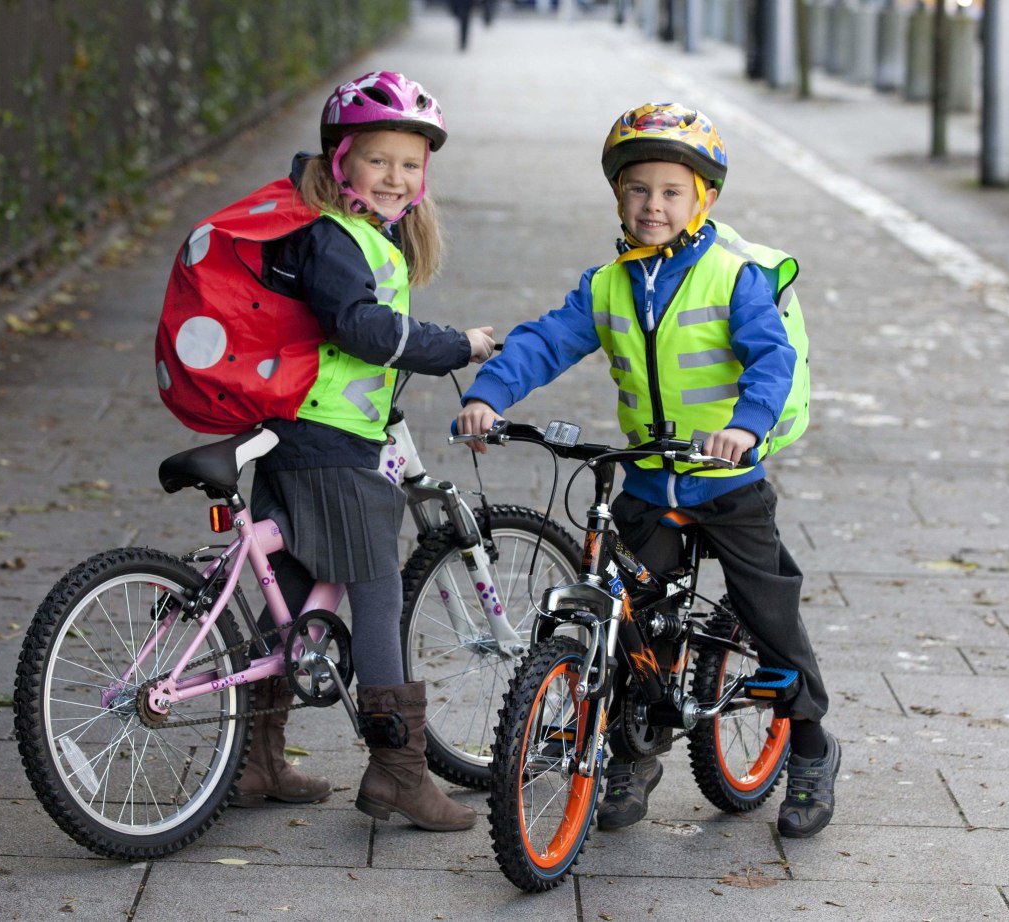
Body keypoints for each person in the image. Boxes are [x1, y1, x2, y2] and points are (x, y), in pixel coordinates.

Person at [455, 103, 838, 839]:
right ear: (617, 197)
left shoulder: (734, 277)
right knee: (631, 613)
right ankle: (632, 753)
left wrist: (742, 428)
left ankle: (814, 749)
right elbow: (546, 341)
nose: (652, 205)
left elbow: (771, 361)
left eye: (670, 191)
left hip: (727, 480)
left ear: (704, 200)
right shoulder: (608, 284)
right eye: (637, 190)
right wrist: (488, 394)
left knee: (770, 614)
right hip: (647, 482)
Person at [229, 71, 494, 832]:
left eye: (410, 165)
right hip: (331, 442)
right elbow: (361, 327)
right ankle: (398, 773)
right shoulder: (334, 235)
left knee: (287, 585)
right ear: (340, 160)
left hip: (294, 432)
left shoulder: (348, 233)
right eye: (378, 160)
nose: (395, 177)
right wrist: (455, 346)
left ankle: (257, 760)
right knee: (377, 589)